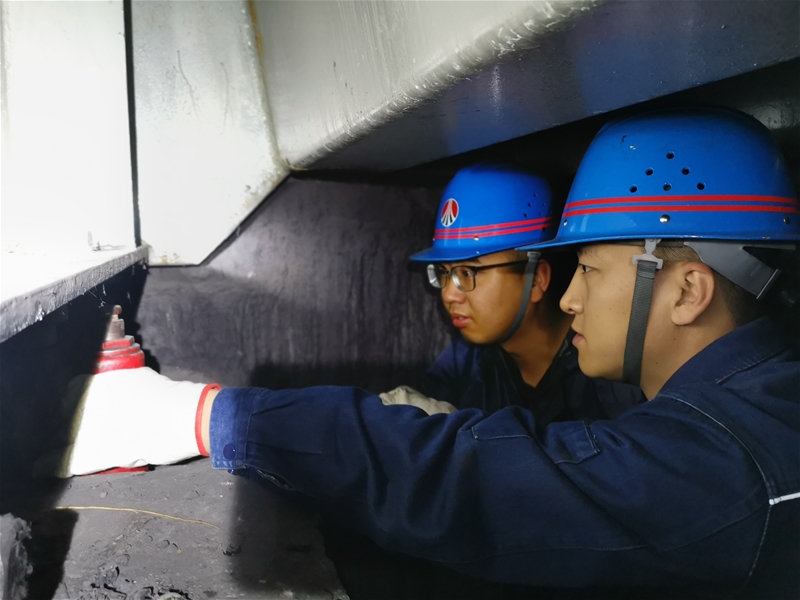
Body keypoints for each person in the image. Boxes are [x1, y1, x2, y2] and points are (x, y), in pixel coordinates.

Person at [41, 107, 798, 596]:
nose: (571, 299)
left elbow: (486, 484)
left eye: (591, 273)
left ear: (688, 290)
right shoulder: (755, 401)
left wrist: (205, 417)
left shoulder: (736, 462)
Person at [392, 162, 641, 424]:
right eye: (444, 273)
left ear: (536, 280)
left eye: (469, 272)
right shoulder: (465, 360)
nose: (449, 295)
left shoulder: (610, 370)